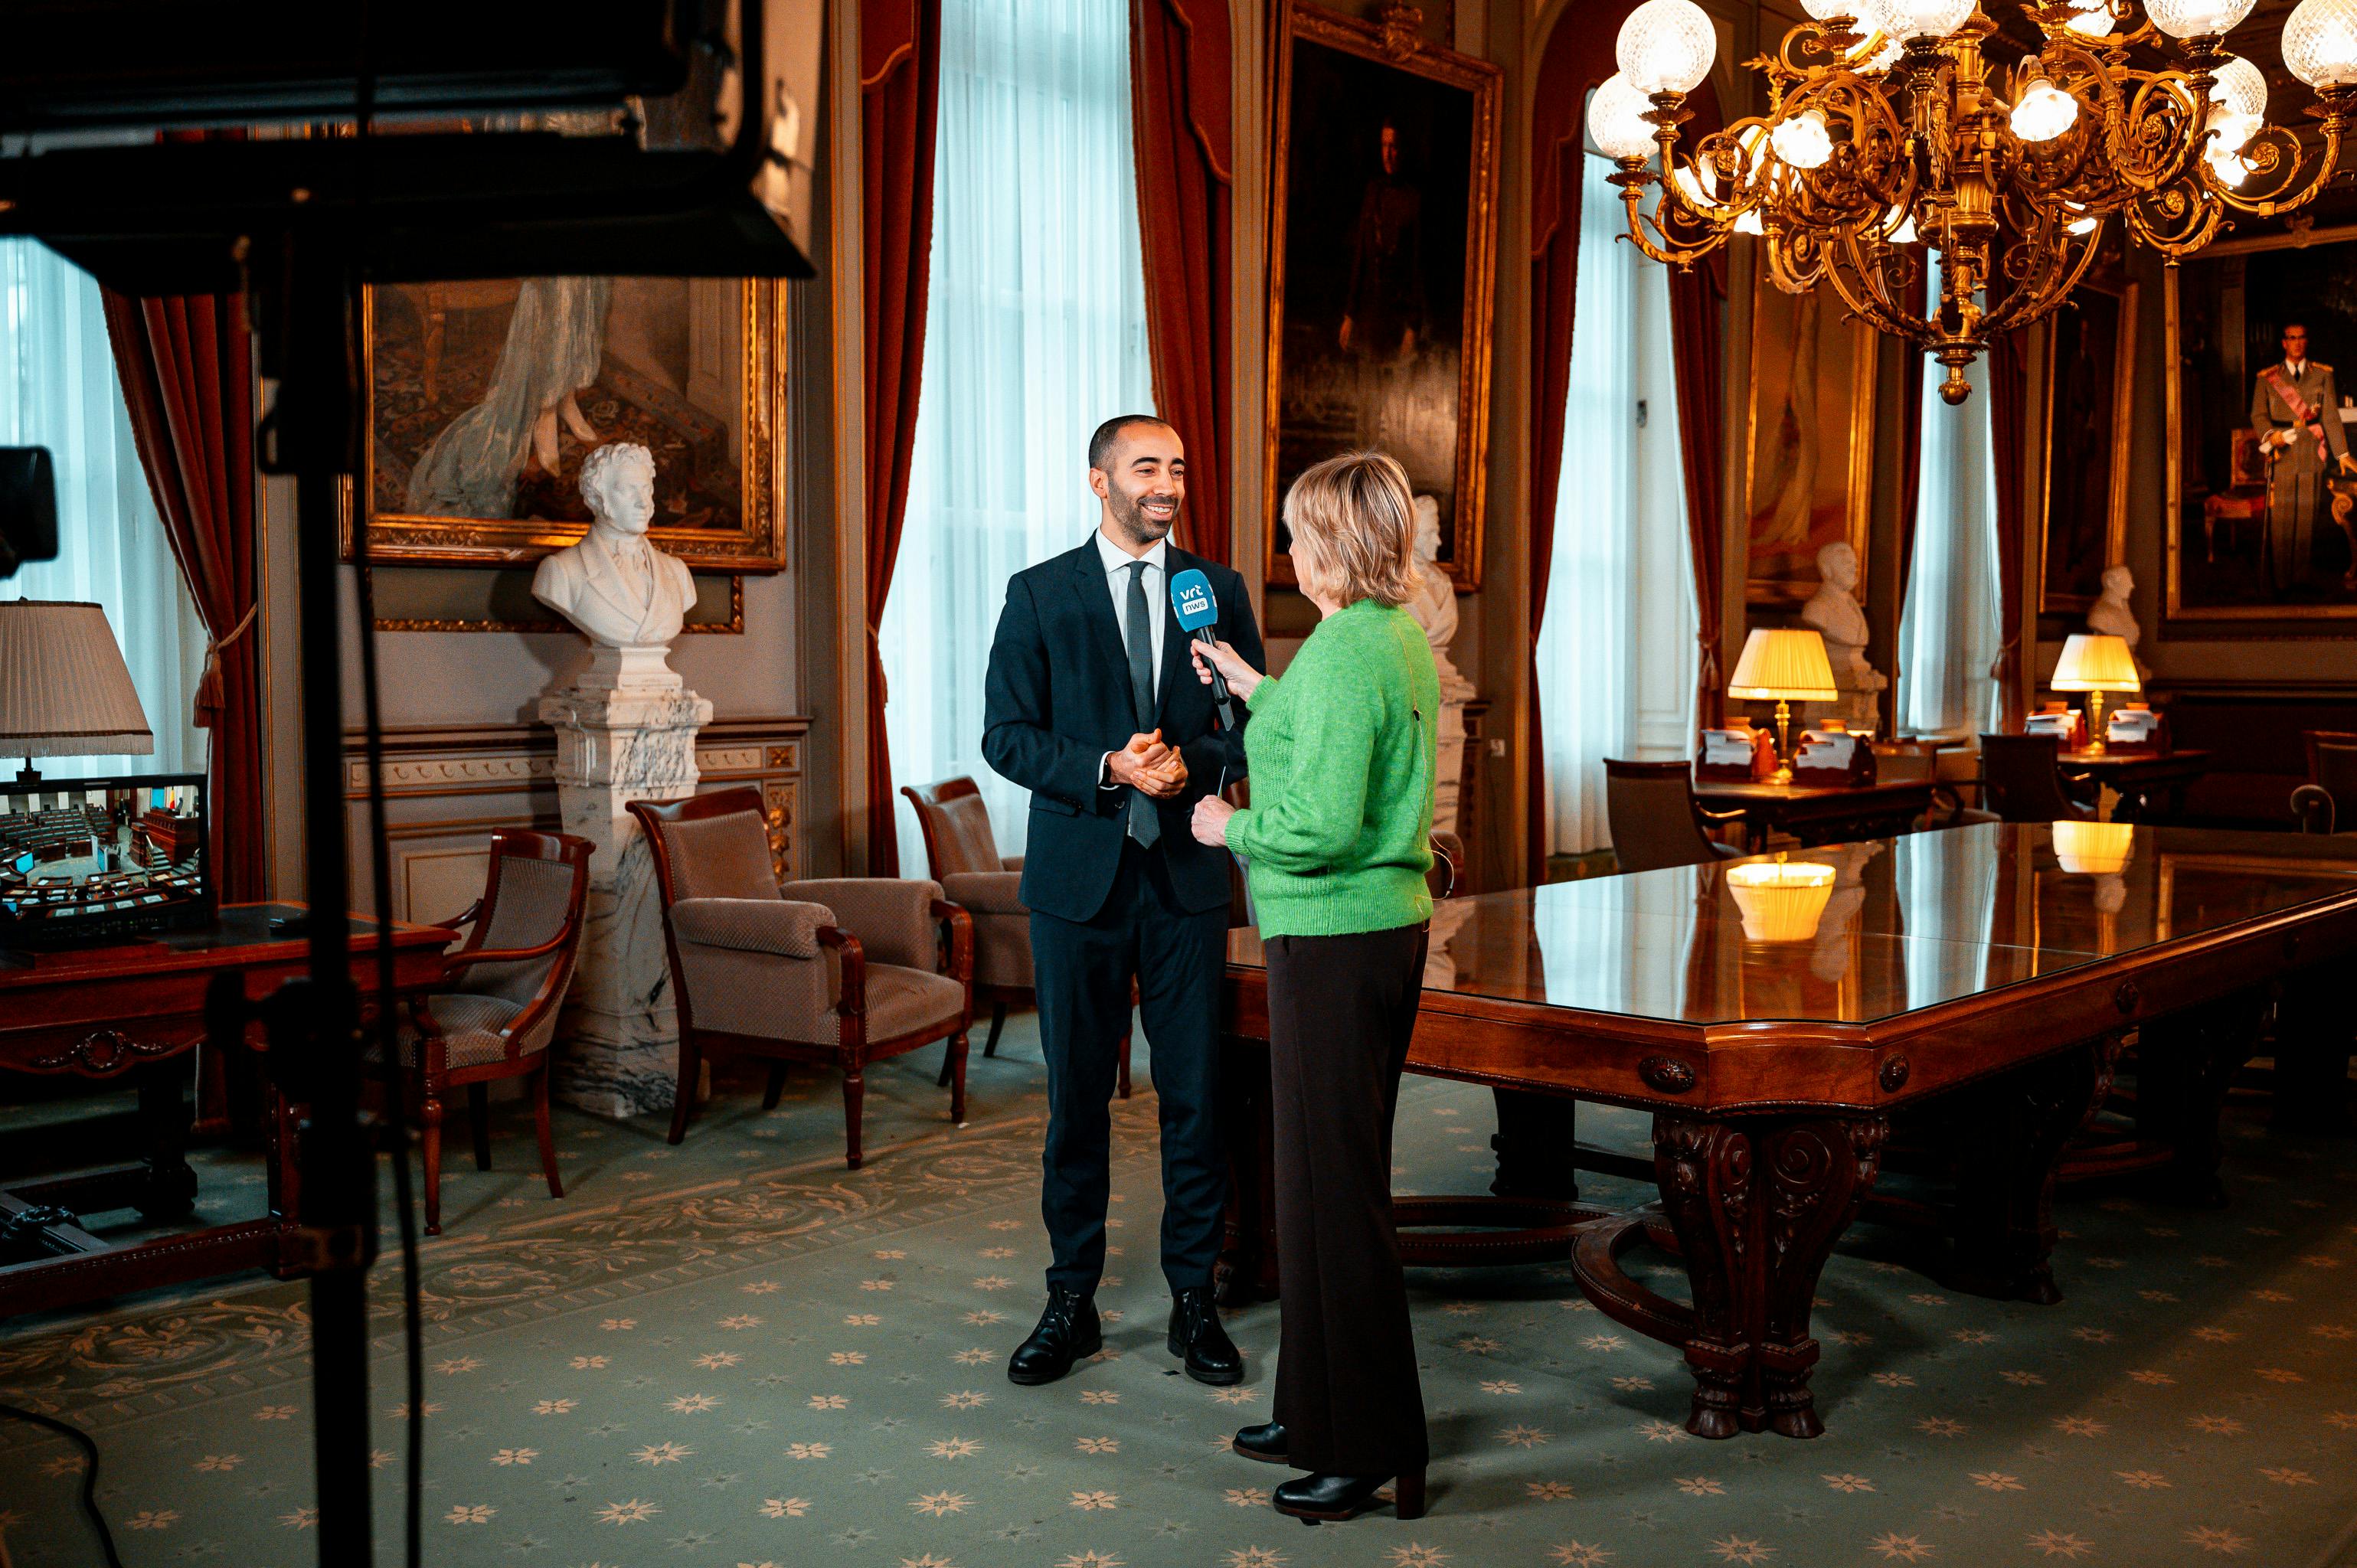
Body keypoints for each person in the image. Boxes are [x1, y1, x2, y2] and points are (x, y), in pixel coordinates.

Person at [980, 415, 1264, 1390]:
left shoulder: (1215, 590)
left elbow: (1249, 722)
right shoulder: (1039, 592)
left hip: (1186, 879)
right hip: (1078, 887)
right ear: (1099, 479)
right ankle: (1071, 1299)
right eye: (1148, 467)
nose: (1167, 484)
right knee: (1076, 1102)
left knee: (1196, 1095)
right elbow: (1006, 735)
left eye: (1177, 467)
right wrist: (1108, 765)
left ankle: (1195, 1297)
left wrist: (1195, 764)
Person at [1188, 449, 1439, 1524]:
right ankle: (1313, 1409)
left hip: (1334, 937)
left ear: (1331, 544)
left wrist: (1229, 826)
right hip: (1371, 932)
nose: (1287, 550)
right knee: (1314, 1186)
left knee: (1336, 1200)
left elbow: (1323, 824)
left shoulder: (1344, 651)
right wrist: (1256, 689)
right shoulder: (1388, 633)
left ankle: (1371, 1446)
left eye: (1296, 533)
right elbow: (1335, 737)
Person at [2251, 320, 2355, 591]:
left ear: (2307, 341)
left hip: (2311, 451)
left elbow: (2330, 417)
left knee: (2307, 518)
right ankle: (2281, 581)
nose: (2297, 343)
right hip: (2282, 450)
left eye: (2301, 338)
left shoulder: (2322, 375)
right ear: (2284, 343)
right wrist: (2270, 435)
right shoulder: (2267, 378)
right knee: (2282, 518)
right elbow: (2258, 415)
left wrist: (2342, 453)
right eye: (2291, 338)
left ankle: (2300, 579)